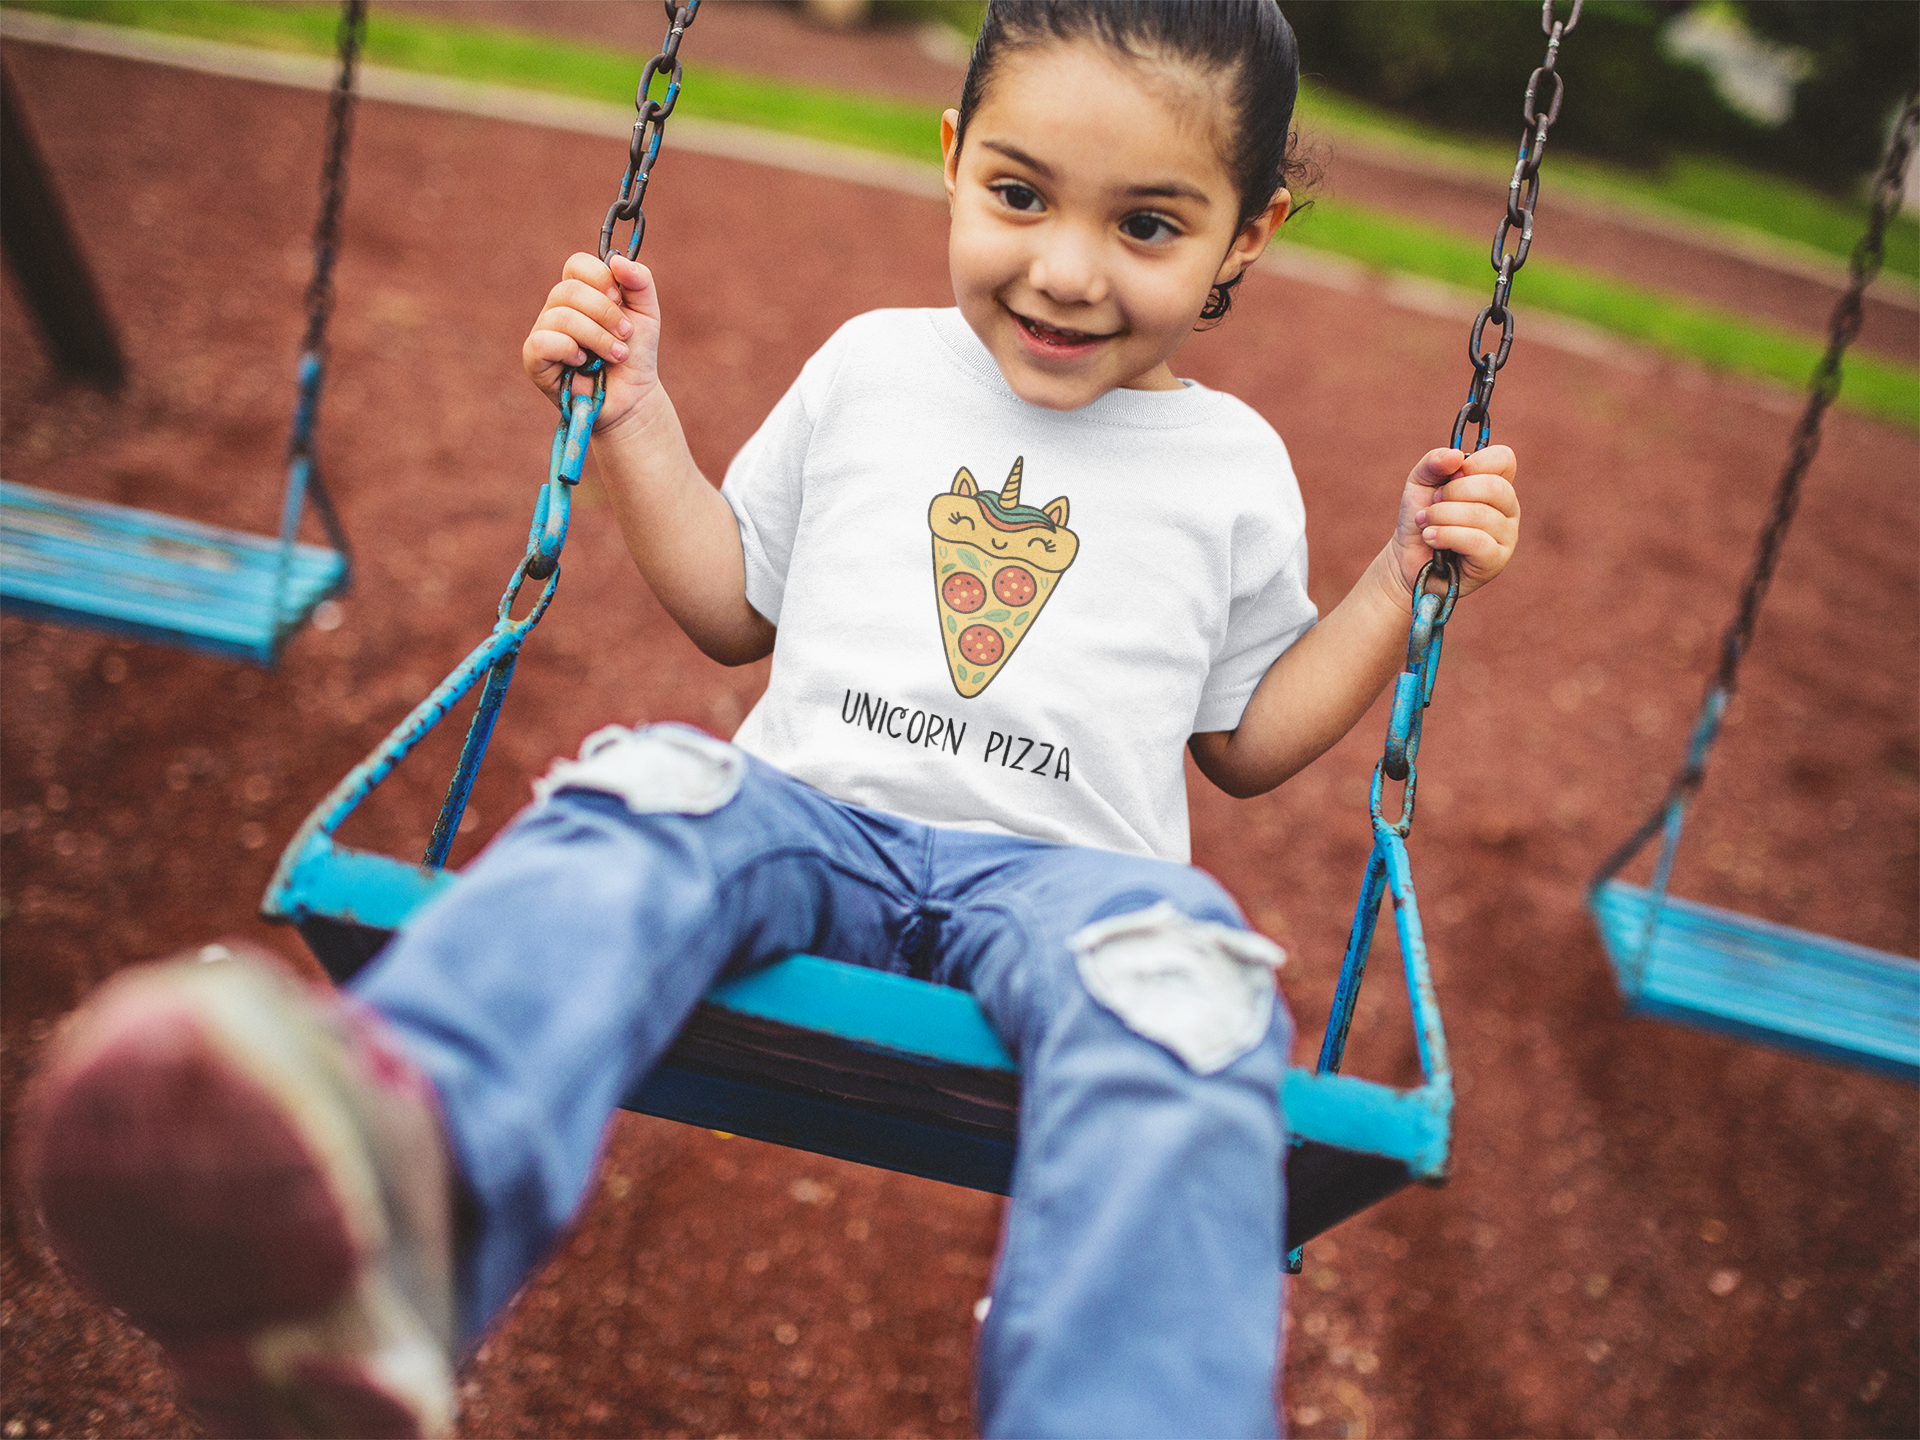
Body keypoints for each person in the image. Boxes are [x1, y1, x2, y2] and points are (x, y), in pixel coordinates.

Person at [18, 2, 1520, 1436]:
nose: (1067, 271)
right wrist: (630, 413)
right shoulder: (872, 366)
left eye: (1146, 226)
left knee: (1189, 988)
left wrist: (1401, 581)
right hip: (801, 822)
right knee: (647, 796)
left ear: (1245, 233)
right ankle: (398, 1211)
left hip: (1077, 889)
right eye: (1019, 195)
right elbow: (737, 604)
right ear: (953, 156)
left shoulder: (1233, 465)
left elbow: (1245, 743)